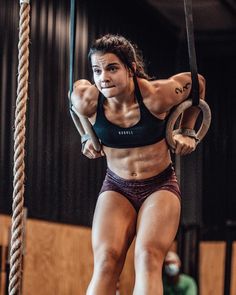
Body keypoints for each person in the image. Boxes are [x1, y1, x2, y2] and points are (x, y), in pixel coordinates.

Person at [71, 34, 206, 295]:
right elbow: (74, 93)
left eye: (112, 68)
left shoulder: (157, 96)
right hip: (116, 186)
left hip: (159, 186)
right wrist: (86, 133)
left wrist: (188, 131)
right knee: (106, 262)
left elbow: (197, 83)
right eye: (97, 70)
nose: (103, 78)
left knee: (147, 257)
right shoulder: (87, 100)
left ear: (131, 69)